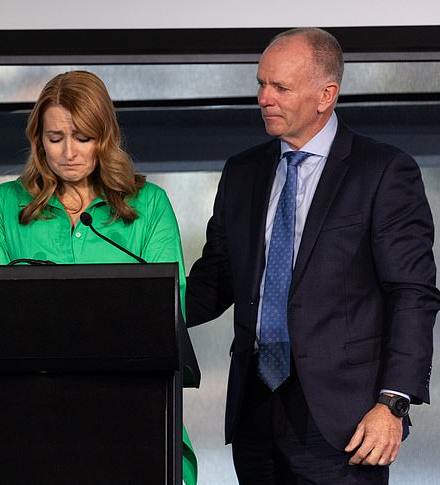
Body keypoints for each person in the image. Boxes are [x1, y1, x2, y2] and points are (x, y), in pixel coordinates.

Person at [186, 27, 440, 484]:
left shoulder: (383, 171)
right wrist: (135, 310)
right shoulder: (242, 172)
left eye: (280, 87)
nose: (264, 98)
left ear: (326, 95)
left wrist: (393, 403)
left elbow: (412, 295)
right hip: (254, 414)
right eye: (261, 84)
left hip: (346, 421)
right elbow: (215, 281)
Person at [0, 70, 198, 484]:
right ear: (38, 139)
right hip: (34, 420)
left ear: (105, 136)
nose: (68, 153)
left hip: (134, 413)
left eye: (82, 137)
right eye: (55, 138)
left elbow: (168, 312)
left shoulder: (148, 205)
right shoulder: (6, 203)